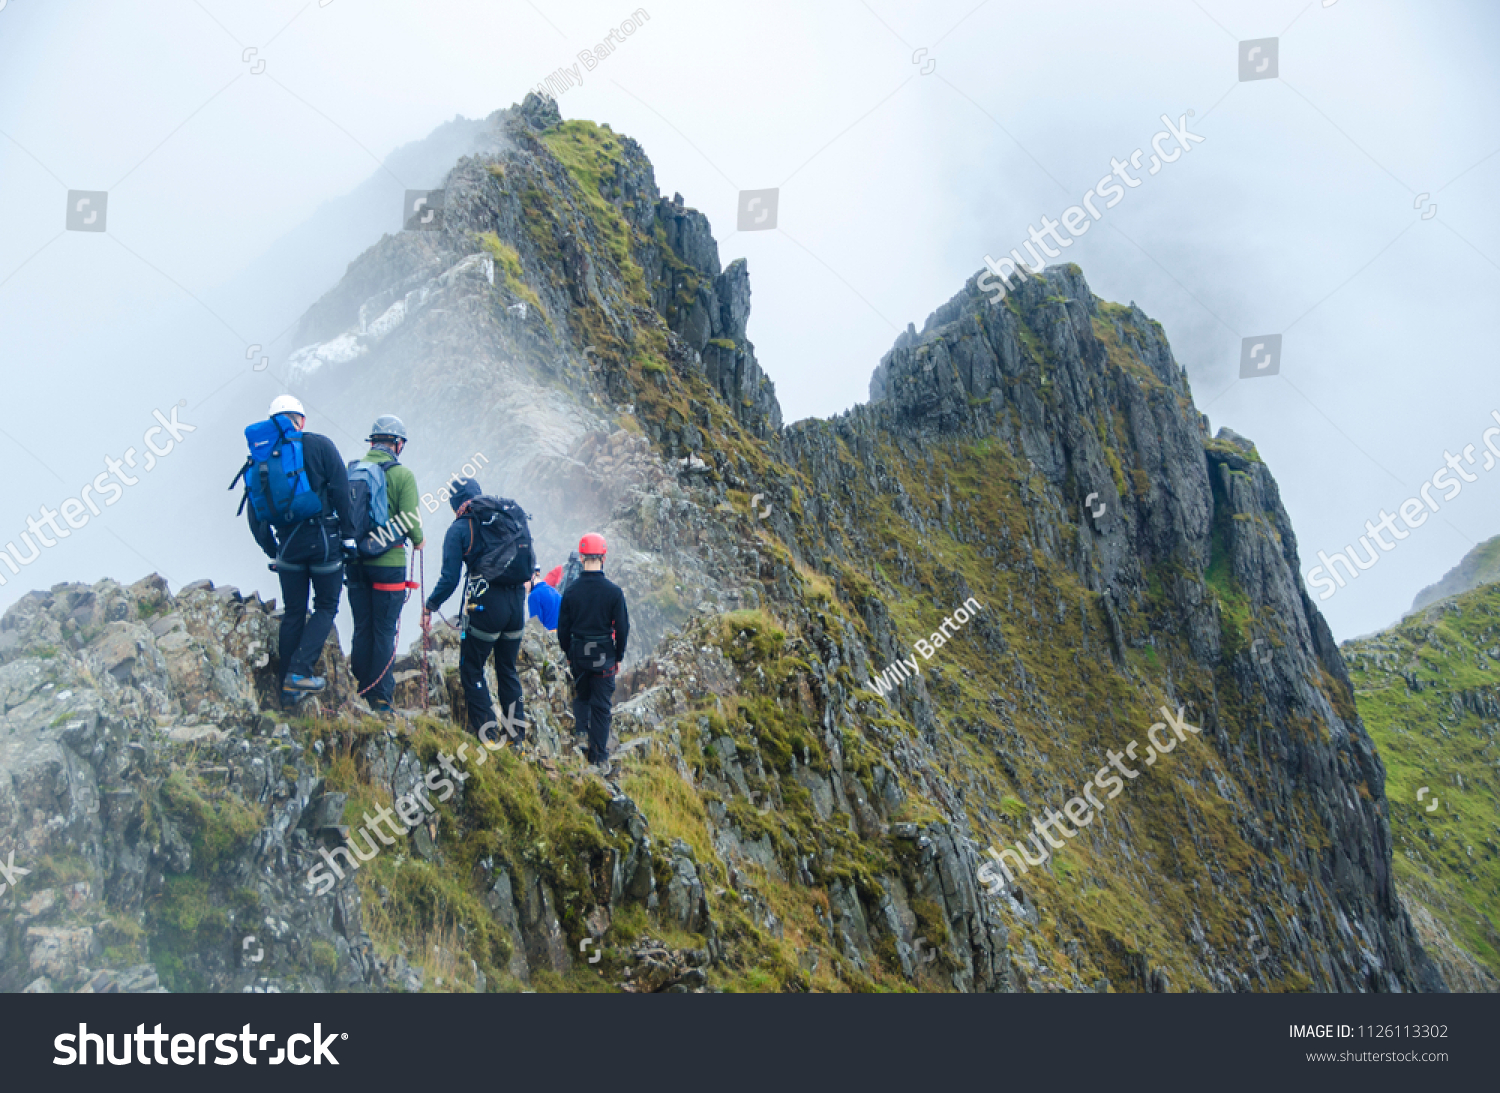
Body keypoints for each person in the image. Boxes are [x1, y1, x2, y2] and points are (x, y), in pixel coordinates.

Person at [242, 395, 355, 708]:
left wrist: (273, 549)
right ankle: (299, 674)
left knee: (293, 612)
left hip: (287, 547)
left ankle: (284, 692)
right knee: (326, 605)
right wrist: (348, 536)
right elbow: (342, 491)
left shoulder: (260, 458)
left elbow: (256, 514)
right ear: (300, 420)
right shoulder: (320, 445)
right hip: (323, 541)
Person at [422, 478, 535, 746]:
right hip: (516, 602)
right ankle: (515, 738)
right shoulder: (506, 517)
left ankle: (487, 735)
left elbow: (450, 579)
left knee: (472, 668)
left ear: (454, 504)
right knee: (507, 668)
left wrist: (430, 606)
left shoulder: (460, 528)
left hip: (487, 605)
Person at [345, 415, 424, 713]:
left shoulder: (352, 470)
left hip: (354, 561)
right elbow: (410, 519)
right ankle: (379, 697)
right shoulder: (403, 476)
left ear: (372, 442)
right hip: (388, 562)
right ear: (397, 444)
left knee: (362, 625)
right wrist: (419, 540)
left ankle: (359, 685)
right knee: (384, 629)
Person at [557, 533, 629, 772]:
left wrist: (568, 652)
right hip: (604, 656)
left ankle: (579, 738)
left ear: (581, 557)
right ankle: (598, 757)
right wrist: (618, 656)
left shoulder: (571, 591)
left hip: (579, 653)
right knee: (601, 705)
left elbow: (563, 628)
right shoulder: (614, 592)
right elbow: (622, 628)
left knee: (582, 695)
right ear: (604, 558)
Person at [526, 565, 561, 632]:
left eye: (524, 581)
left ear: (532, 577)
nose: (523, 586)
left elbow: (535, 627)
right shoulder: (555, 592)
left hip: (546, 639)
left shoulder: (534, 596)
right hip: (560, 637)